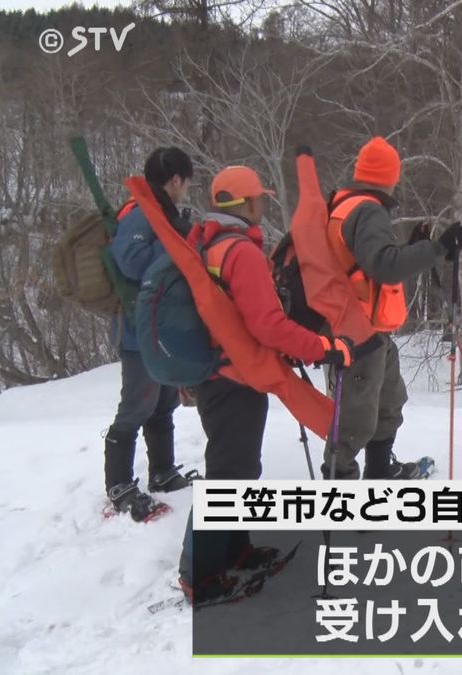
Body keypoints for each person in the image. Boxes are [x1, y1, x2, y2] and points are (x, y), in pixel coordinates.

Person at [177, 166, 352, 603]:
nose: (263, 206)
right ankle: (199, 575)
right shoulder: (241, 252)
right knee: (226, 475)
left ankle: (233, 552)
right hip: (234, 375)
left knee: (237, 469)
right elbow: (268, 324)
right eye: (260, 199)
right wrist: (322, 347)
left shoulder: (207, 242)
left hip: (222, 371)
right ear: (248, 204)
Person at [321, 136, 462, 480]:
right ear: (388, 176)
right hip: (356, 331)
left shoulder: (343, 204)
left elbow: (365, 261)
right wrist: (438, 249)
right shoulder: (368, 209)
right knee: (354, 421)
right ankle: (339, 497)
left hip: (365, 329)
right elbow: (384, 266)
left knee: (389, 402)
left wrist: (413, 247)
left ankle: (378, 472)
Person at [104, 147, 198, 521]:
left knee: (162, 402)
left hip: (157, 325)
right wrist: (170, 239)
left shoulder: (159, 212)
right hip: (137, 330)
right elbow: (129, 261)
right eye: (186, 182)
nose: (186, 189)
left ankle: (162, 471)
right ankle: (119, 485)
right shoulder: (143, 214)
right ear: (175, 180)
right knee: (137, 405)